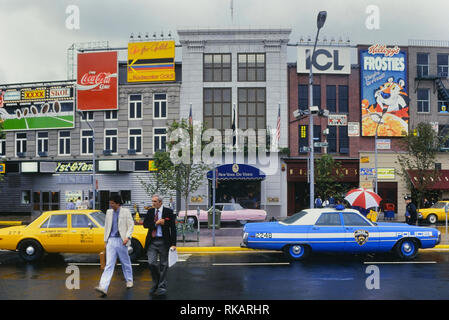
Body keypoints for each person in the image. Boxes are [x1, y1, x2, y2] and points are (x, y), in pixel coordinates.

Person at [95, 195, 134, 297]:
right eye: (110, 203)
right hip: (111, 240)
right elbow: (107, 227)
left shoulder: (126, 212)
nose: (110, 205)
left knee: (125, 262)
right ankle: (103, 287)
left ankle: (129, 280)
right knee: (109, 264)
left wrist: (127, 237)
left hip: (122, 240)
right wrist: (105, 240)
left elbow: (131, 225)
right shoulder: (109, 212)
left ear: (118, 203)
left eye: (112, 203)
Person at [143, 195, 177, 296]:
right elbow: (145, 225)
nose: (153, 203)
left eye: (155, 201)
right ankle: (156, 282)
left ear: (160, 202)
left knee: (163, 265)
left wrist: (174, 244)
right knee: (151, 263)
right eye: (152, 201)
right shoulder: (150, 212)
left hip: (164, 242)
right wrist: (156, 223)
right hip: (152, 242)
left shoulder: (168, 212)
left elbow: (173, 228)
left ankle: (161, 286)